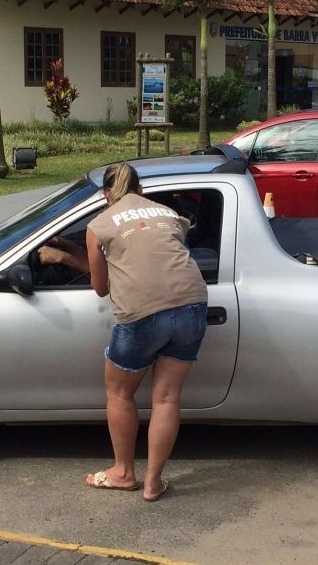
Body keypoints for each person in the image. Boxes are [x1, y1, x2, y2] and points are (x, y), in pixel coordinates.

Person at [39, 162, 208, 501]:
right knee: (166, 397)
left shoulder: (99, 224)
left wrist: (66, 256)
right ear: (141, 190)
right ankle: (152, 483)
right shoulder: (169, 214)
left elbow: (101, 287)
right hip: (193, 303)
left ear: (105, 195)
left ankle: (123, 473)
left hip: (141, 314)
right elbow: (160, 256)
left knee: (119, 395)